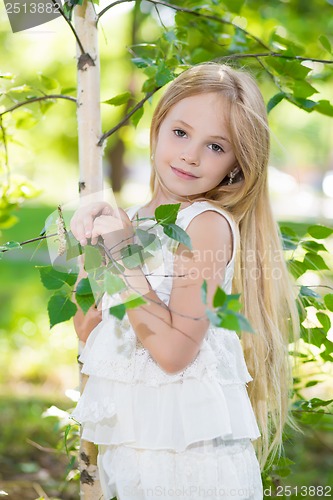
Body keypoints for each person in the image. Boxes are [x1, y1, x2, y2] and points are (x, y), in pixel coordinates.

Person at [70, 62, 300, 500]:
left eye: (216, 146)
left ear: (236, 165)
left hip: (189, 459)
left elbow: (174, 353)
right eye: (180, 133)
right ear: (157, 128)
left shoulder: (204, 225)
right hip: (133, 446)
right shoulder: (132, 221)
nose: (191, 155)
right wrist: (92, 242)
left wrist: (123, 254)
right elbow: (87, 332)